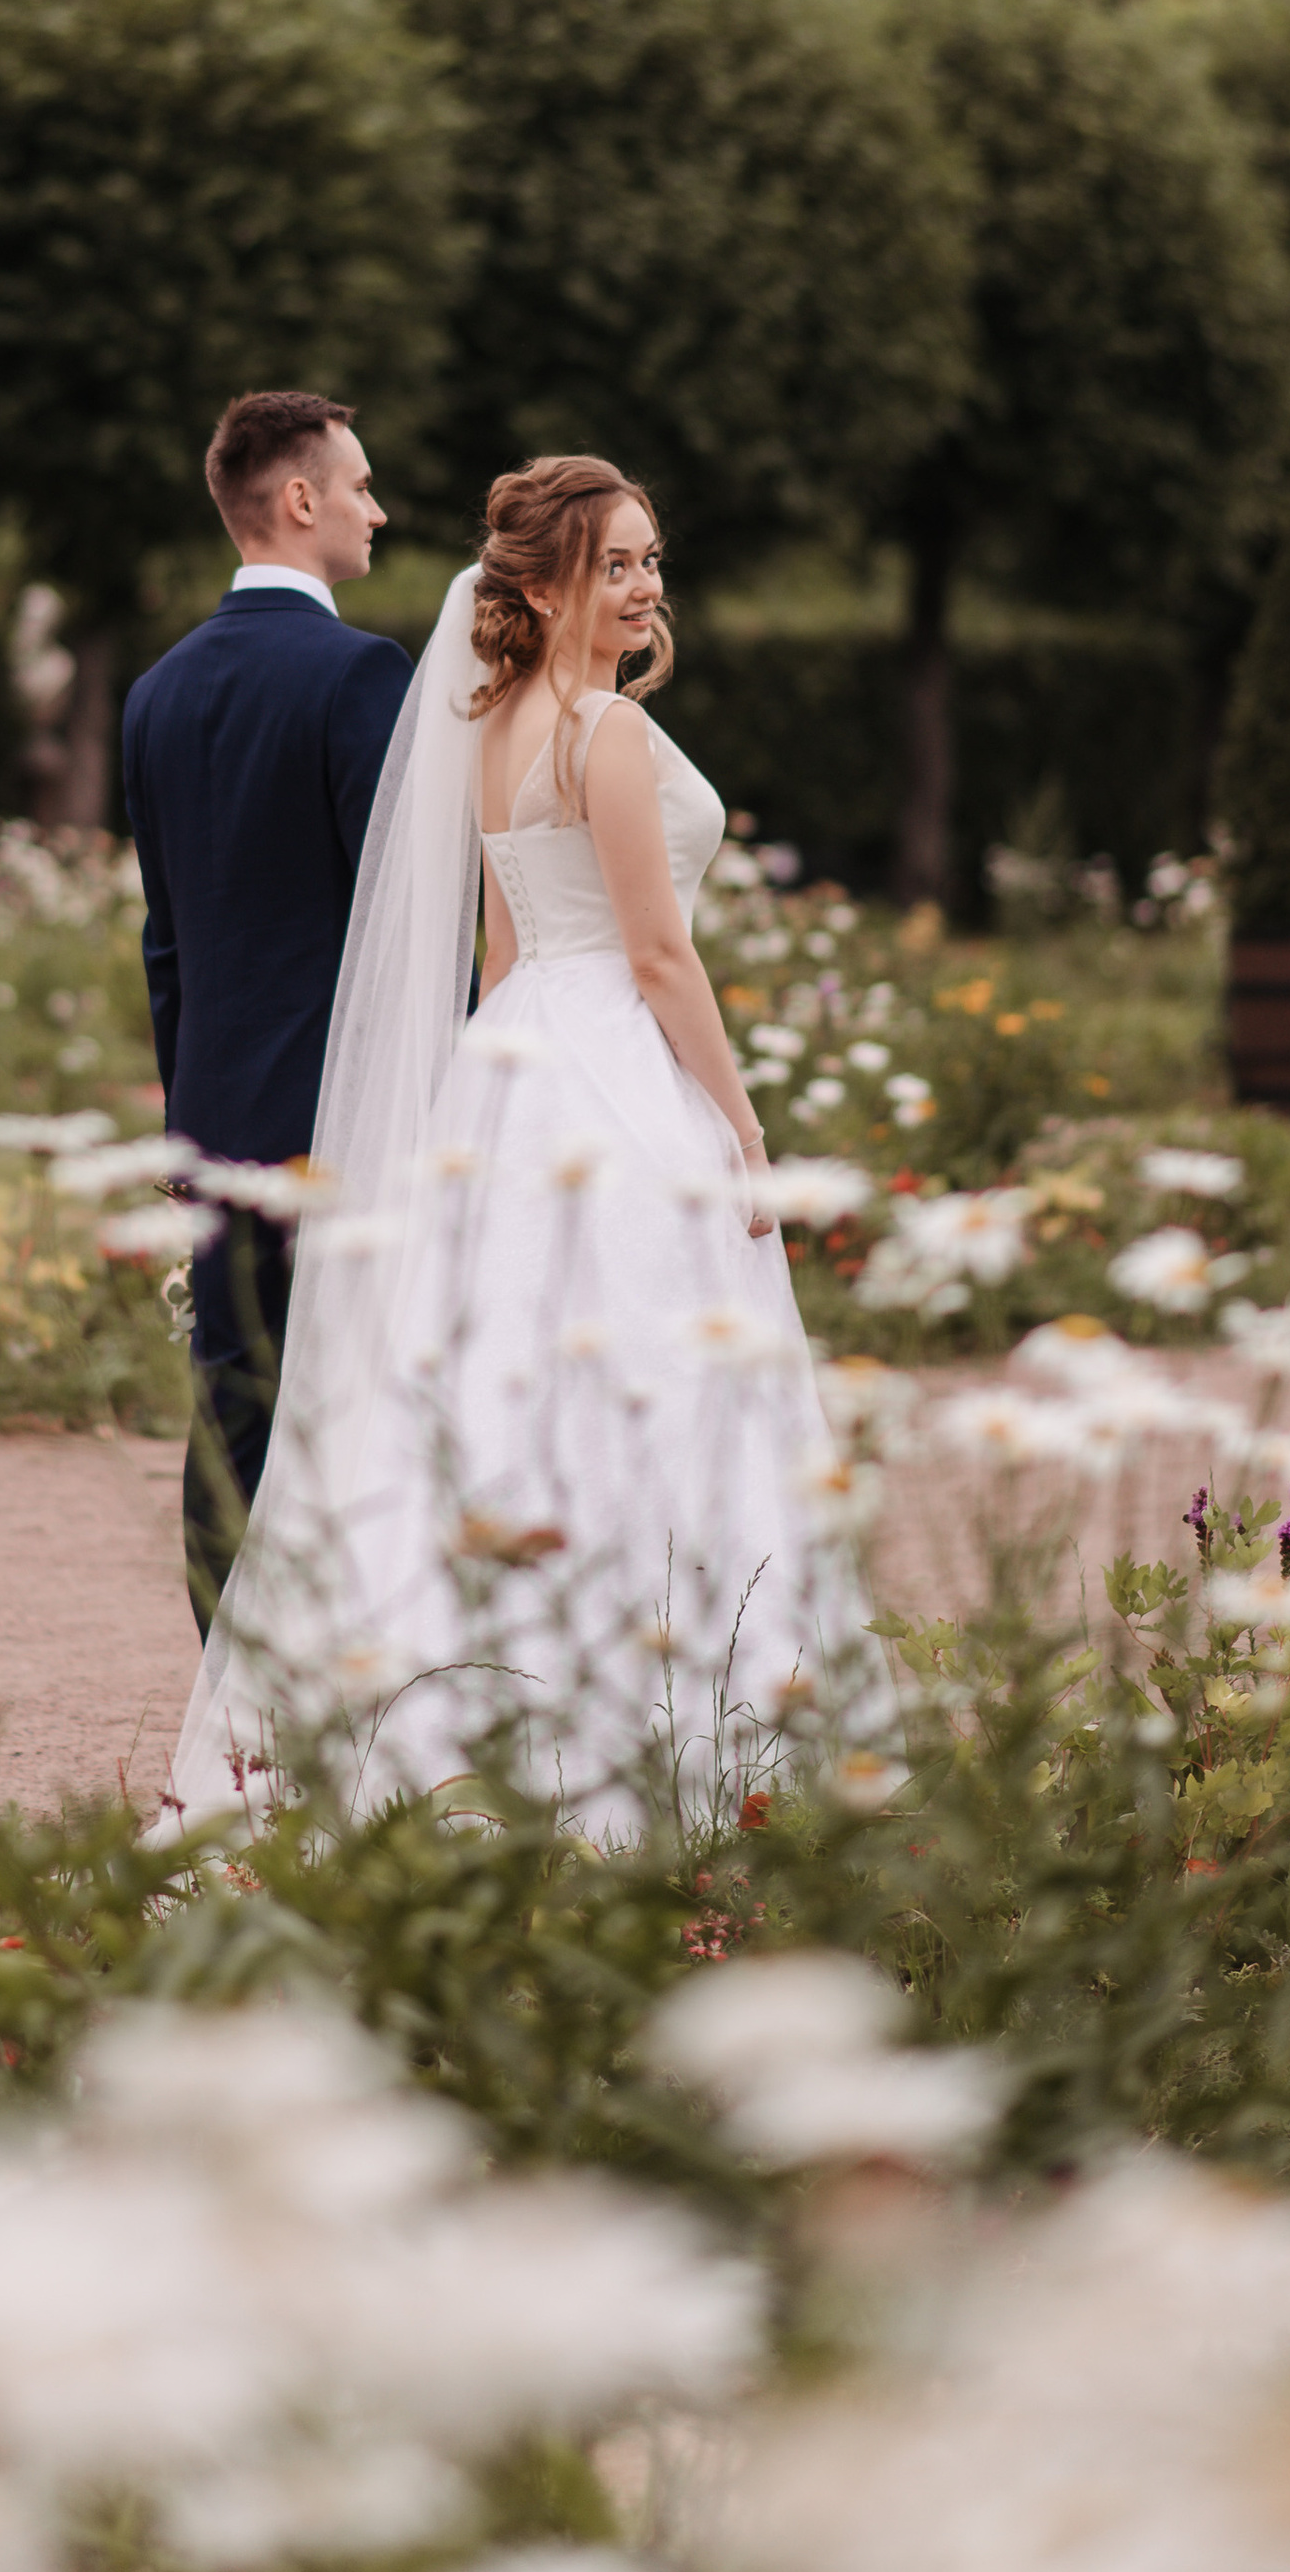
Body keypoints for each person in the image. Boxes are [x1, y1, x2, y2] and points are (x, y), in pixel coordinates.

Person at [171, 454, 851, 1830]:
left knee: (496, 1402)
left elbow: (498, 948)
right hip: (609, 1060)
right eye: (615, 563)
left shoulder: (485, 725)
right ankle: (648, 1716)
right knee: (640, 1383)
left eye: (652, 558)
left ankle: (449, 1713)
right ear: (544, 585)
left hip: (517, 1054)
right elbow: (660, 955)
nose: (646, 583)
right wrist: (742, 1121)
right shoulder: (598, 729)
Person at [122, 391, 413, 1628]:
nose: (376, 508)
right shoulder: (358, 675)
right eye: (358, 486)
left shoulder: (157, 692)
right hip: (345, 1128)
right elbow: (400, 926)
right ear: (299, 501)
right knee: (365, 1409)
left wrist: (186, 1124)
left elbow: (169, 940)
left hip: (222, 1118)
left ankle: (225, 1697)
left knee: (231, 1409)